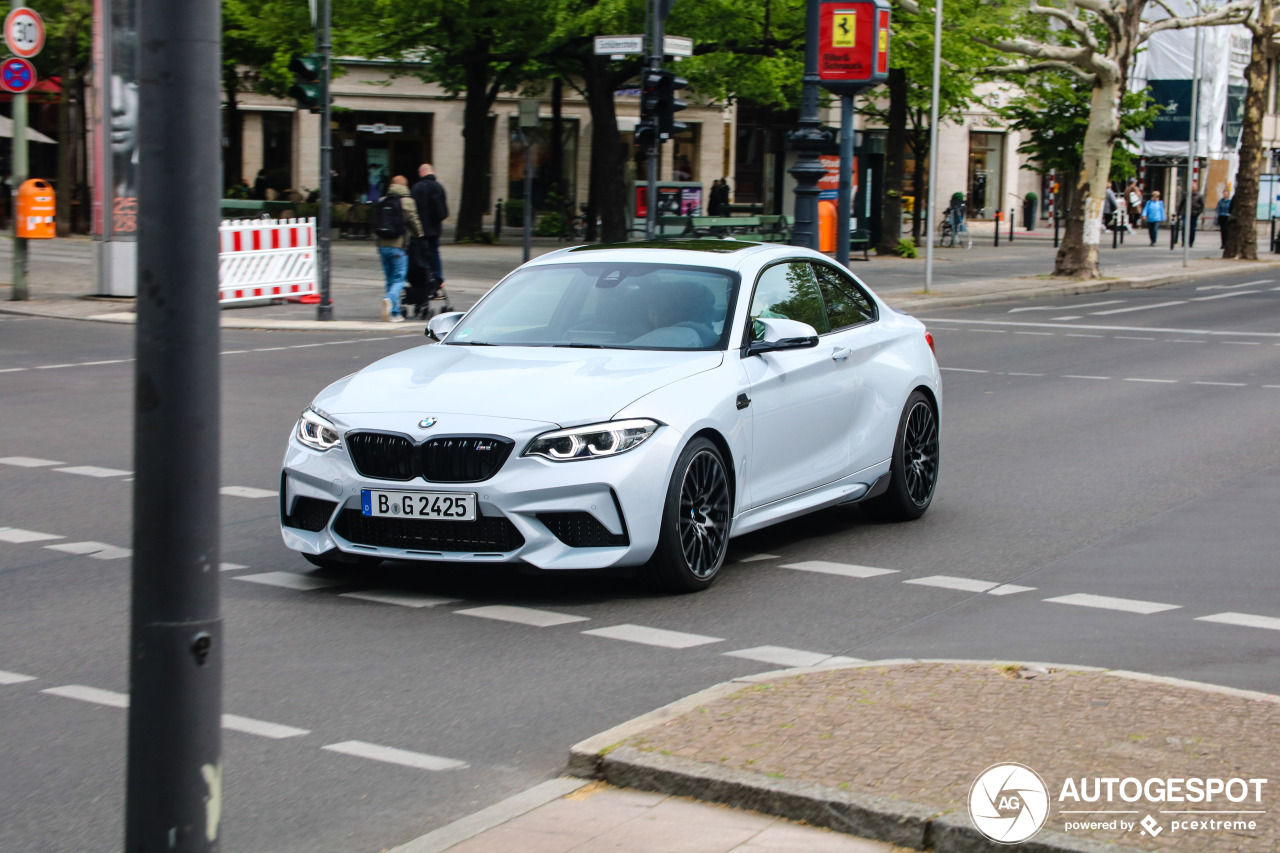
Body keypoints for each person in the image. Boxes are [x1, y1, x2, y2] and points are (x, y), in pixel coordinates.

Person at [375, 175, 424, 323]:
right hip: (399, 246)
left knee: (389, 279)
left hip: (382, 246)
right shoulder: (407, 201)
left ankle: (394, 313)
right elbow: (413, 220)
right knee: (399, 279)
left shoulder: (382, 201)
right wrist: (420, 234)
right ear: (406, 186)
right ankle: (389, 299)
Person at [410, 163, 448, 287]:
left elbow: (412, 208)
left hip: (420, 229)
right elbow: (444, 211)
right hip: (435, 229)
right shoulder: (439, 187)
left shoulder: (417, 187)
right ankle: (438, 278)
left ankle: (424, 279)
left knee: (421, 255)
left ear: (421, 173)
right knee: (434, 253)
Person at [1188, 183, 1205, 247]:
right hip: (1186, 214)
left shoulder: (1199, 196)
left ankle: (1191, 242)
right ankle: (1184, 241)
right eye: (1192, 186)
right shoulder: (1188, 194)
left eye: (1194, 186)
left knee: (1192, 228)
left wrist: (1198, 212)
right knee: (1185, 227)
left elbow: (1202, 205)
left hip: (1194, 214)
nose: (1193, 188)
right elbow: (1182, 203)